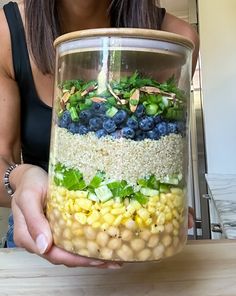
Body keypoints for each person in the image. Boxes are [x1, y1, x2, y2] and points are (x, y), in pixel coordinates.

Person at [0, 0, 199, 268]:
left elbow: (164, 148)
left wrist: (160, 197)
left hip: (142, 244)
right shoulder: (7, 33)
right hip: (39, 246)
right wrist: (20, 177)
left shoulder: (175, 41)